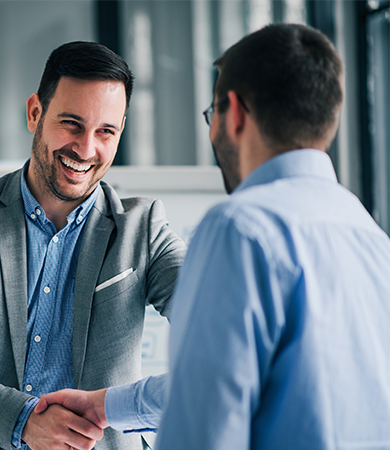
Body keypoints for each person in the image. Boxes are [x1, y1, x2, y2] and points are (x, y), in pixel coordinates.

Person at [36, 23, 390, 449]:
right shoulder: (371, 236)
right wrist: (107, 405)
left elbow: (205, 419)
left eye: (212, 114)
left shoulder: (239, 228)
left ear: (235, 112)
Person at [0, 41, 186, 450]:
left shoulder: (144, 229)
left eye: (106, 131)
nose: (86, 149)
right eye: (71, 124)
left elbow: (219, 328)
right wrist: (22, 422)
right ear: (35, 112)